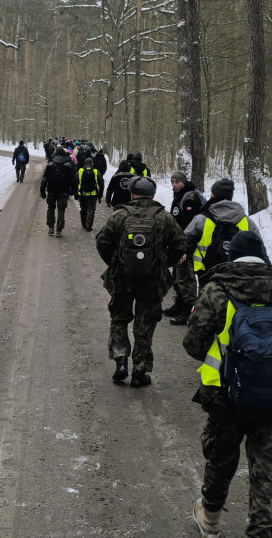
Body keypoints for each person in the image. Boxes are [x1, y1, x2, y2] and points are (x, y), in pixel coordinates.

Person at [183, 231, 272, 538]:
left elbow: (193, 343)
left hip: (225, 395)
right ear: (262, 256)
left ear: (231, 256)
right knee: (265, 465)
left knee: (222, 456)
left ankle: (210, 519)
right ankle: (261, 529)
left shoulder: (217, 291)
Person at [95, 176, 186, 387]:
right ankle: (139, 371)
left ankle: (120, 362)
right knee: (144, 326)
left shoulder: (119, 215)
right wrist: (163, 263)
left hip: (121, 280)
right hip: (152, 282)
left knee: (119, 319)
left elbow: (102, 243)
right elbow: (180, 245)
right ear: (153, 195)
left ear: (131, 194)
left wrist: (115, 263)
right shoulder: (164, 217)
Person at [185, 177, 269, 278]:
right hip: (241, 277)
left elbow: (184, 245)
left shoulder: (201, 219)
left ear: (213, 195)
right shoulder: (247, 221)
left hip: (208, 276)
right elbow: (261, 251)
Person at [164, 170, 205, 326]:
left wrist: (185, 250)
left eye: (177, 182)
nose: (174, 185)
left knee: (186, 278)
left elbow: (190, 226)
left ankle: (188, 310)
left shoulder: (190, 199)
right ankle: (179, 304)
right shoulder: (181, 195)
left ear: (183, 182)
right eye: (172, 181)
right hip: (178, 244)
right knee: (177, 276)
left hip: (186, 246)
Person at [40, 146, 74, 236]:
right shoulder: (67, 166)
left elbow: (44, 179)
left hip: (51, 191)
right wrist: (72, 191)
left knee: (50, 209)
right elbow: (72, 180)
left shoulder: (50, 165)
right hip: (63, 192)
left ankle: (51, 228)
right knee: (61, 210)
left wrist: (42, 191)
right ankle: (59, 230)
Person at [75, 157, 104, 231]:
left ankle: (84, 224)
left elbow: (75, 182)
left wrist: (75, 193)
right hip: (93, 194)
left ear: (85, 163)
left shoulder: (80, 171)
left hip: (82, 194)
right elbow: (101, 183)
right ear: (92, 163)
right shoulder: (96, 171)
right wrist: (100, 194)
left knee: (83, 209)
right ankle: (89, 225)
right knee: (91, 210)